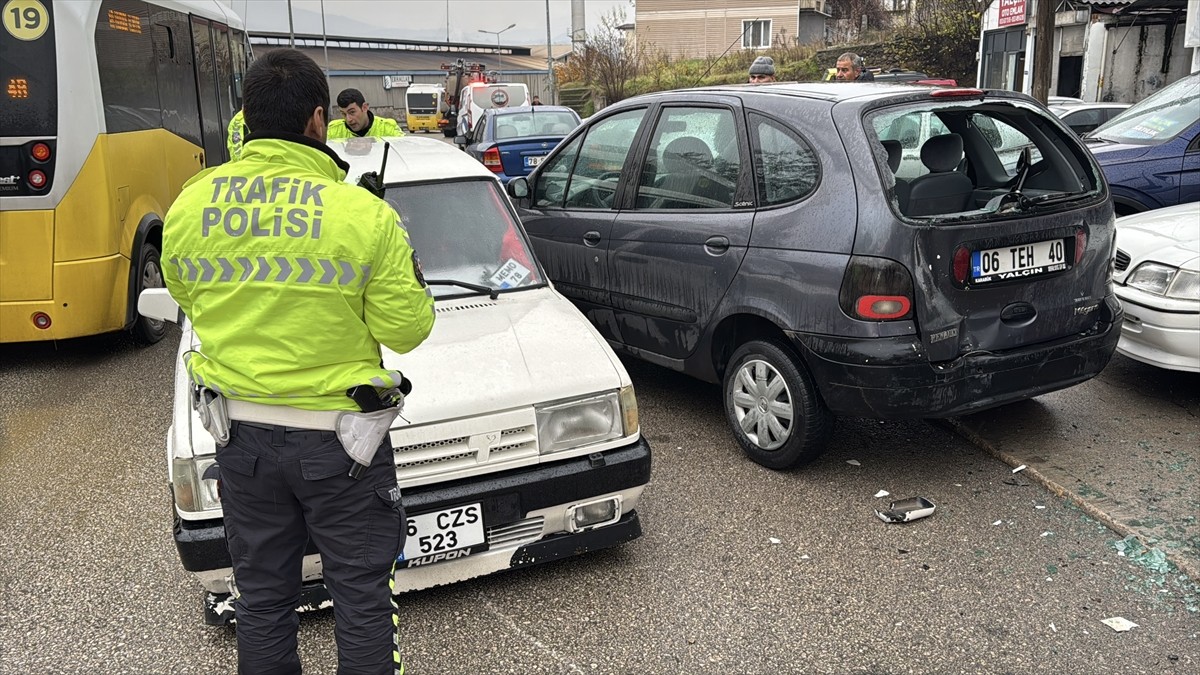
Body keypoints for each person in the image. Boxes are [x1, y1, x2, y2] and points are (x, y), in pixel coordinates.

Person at [162, 48, 435, 675]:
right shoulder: (363, 215)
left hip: (242, 442)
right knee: (361, 600)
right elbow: (409, 328)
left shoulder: (190, 205)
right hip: (342, 445)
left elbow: (187, 296)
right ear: (319, 119)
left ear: (247, 118)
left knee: (261, 604)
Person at [328, 87, 404, 139]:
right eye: (343, 114)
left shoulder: (388, 128)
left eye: (352, 112)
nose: (348, 119)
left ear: (364, 107)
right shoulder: (333, 131)